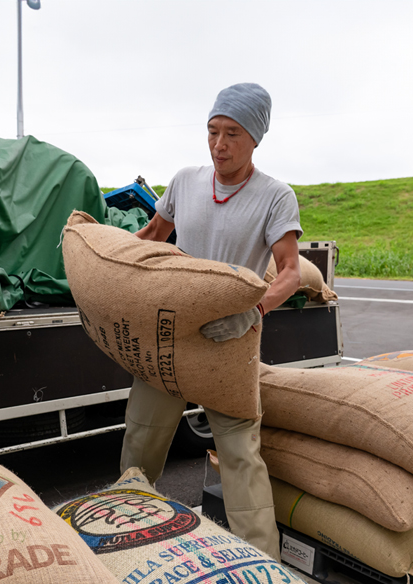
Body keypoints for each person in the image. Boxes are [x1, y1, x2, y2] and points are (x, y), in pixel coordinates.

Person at [120, 82, 302, 559]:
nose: (219, 145)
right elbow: (152, 236)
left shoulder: (275, 197)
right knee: (142, 436)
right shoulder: (184, 181)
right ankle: (124, 539)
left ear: (256, 138)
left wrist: (253, 310)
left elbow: (291, 272)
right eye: (213, 131)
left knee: (240, 455)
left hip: (232, 337)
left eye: (233, 134)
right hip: (172, 333)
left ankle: (264, 566)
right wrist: (105, 254)